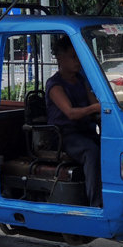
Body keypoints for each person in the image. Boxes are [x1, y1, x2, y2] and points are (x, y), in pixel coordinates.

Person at [45, 34, 102, 207]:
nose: (77, 61)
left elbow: (95, 103)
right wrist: (94, 109)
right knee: (91, 152)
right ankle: (96, 204)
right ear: (60, 58)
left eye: (79, 56)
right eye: (73, 57)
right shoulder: (54, 85)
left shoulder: (81, 80)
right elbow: (70, 113)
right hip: (65, 136)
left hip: (85, 130)